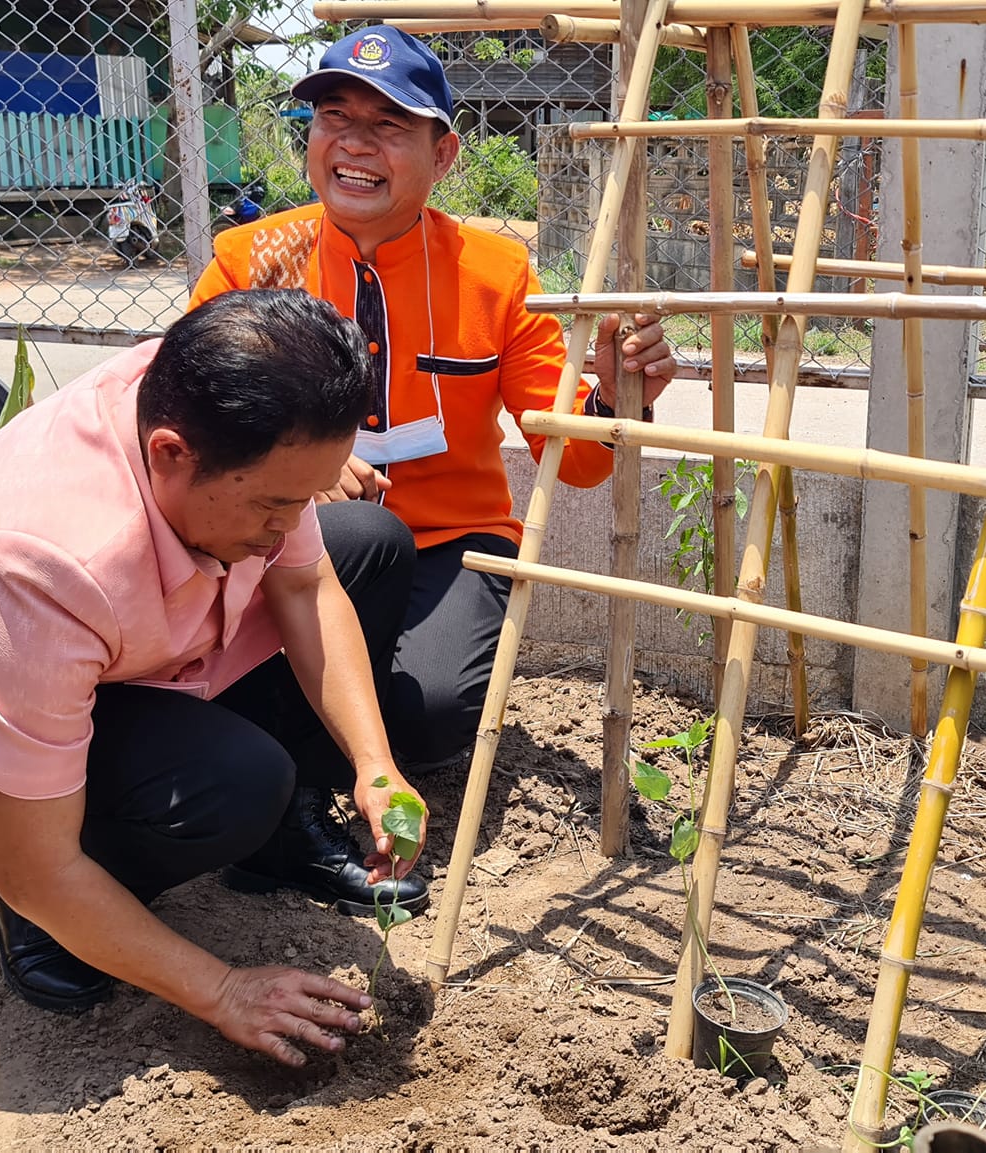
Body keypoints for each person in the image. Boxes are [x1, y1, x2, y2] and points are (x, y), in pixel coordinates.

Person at [0, 290, 428, 1061]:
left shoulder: (211, 403)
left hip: (130, 648)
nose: (290, 527)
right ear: (169, 454)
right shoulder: (33, 557)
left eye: (300, 500)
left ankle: (281, 835)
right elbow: (39, 867)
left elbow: (305, 584)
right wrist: (223, 989)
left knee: (372, 546)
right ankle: (37, 912)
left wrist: (376, 765)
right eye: (273, 504)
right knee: (237, 781)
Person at [188, 25, 680, 842]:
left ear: (443, 153)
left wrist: (615, 400)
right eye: (333, 116)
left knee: (432, 717)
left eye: (388, 126)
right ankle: (296, 776)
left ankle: (339, 720)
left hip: (454, 540)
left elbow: (580, 465)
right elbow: (186, 409)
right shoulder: (256, 260)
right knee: (352, 532)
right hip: (296, 540)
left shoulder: (496, 274)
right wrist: (297, 465)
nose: (354, 143)